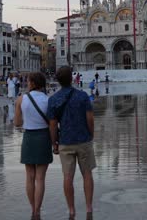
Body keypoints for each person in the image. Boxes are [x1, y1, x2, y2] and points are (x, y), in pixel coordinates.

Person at [47, 66, 96, 220]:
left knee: (67, 177)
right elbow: (90, 118)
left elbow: (53, 125)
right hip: (83, 140)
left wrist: (54, 143)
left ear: (58, 81)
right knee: (87, 174)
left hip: (65, 142)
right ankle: (88, 208)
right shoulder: (82, 96)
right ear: (72, 79)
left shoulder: (53, 99)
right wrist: (91, 135)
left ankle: (71, 210)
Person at [14, 72, 51, 220]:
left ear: (33, 83)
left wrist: (26, 118)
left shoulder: (21, 99)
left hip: (28, 137)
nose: (27, 83)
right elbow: (53, 123)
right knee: (40, 178)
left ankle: (32, 210)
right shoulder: (48, 100)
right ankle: (37, 210)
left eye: (28, 81)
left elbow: (17, 123)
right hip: (43, 137)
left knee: (29, 177)